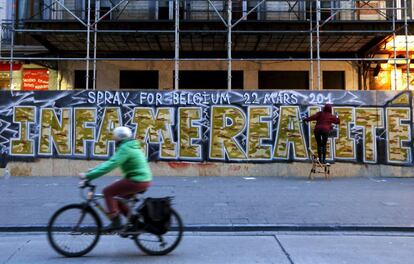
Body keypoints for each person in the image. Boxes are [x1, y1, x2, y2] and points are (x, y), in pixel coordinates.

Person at [79, 126, 152, 231]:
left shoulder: (125, 148)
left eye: (115, 138)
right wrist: (92, 171)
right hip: (141, 179)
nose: (114, 140)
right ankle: (135, 223)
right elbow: (110, 162)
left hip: (138, 180)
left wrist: (88, 176)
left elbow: (111, 165)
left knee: (107, 192)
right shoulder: (129, 146)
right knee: (118, 199)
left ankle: (115, 221)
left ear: (120, 138)